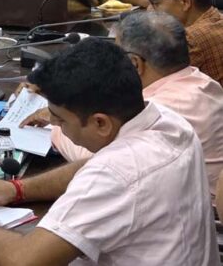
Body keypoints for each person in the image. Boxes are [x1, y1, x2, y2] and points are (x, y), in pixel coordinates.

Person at [0, 38, 216, 265]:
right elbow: (91, 166)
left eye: (61, 120)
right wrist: (16, 189)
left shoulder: (114, 172)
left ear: (100, 123)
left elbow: (23, 261)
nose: (55, 125)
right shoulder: (169, 121)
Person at [27, 12, 223, 196]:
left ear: (135, 64)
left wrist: (58, 120)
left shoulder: (162, 107)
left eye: (116, 55)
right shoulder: (204, 82)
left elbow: (94, 156)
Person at [147, 0, 223, 86]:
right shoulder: (216, 18)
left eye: (155, 3)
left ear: (185, 1)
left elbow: (151, 83)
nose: (151, 10)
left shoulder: (190, 40)